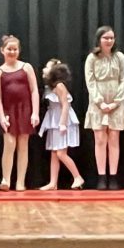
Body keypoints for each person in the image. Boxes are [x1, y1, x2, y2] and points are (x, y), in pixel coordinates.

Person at [84, 26, 124, 190]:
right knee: (100, 139)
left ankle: (114, 176)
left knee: (114, 139)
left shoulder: (120, 57)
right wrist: (100, 102)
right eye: (105, 38)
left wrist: (116, 102)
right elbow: (90, 81)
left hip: (116, 103)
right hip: (98, 105)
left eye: (111, 38)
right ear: (99, 40)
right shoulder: (92, 58)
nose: (109, 41)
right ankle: (102, 176)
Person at [0, 35, 40, 191]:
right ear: (2, 51)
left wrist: (35, 113)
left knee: (23, 145)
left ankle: (20, 181)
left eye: (15, 49)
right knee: (9, 143)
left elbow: (34, 91)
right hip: (8, 111)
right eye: (9, 49)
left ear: (18, 51)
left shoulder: (26, 67)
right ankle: (6, 179)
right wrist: (1, 117)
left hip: (24, 109)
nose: (12, 52)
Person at [38, 59, 84, 191]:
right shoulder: (50, 87)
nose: (44, 70)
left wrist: (63, 123)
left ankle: (77, 177)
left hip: (62, 121)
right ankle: (53, 182)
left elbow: (65, 105)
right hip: (54, 120)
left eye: (47, 67)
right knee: (54, 152)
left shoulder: (59, 86)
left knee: (60, 153)